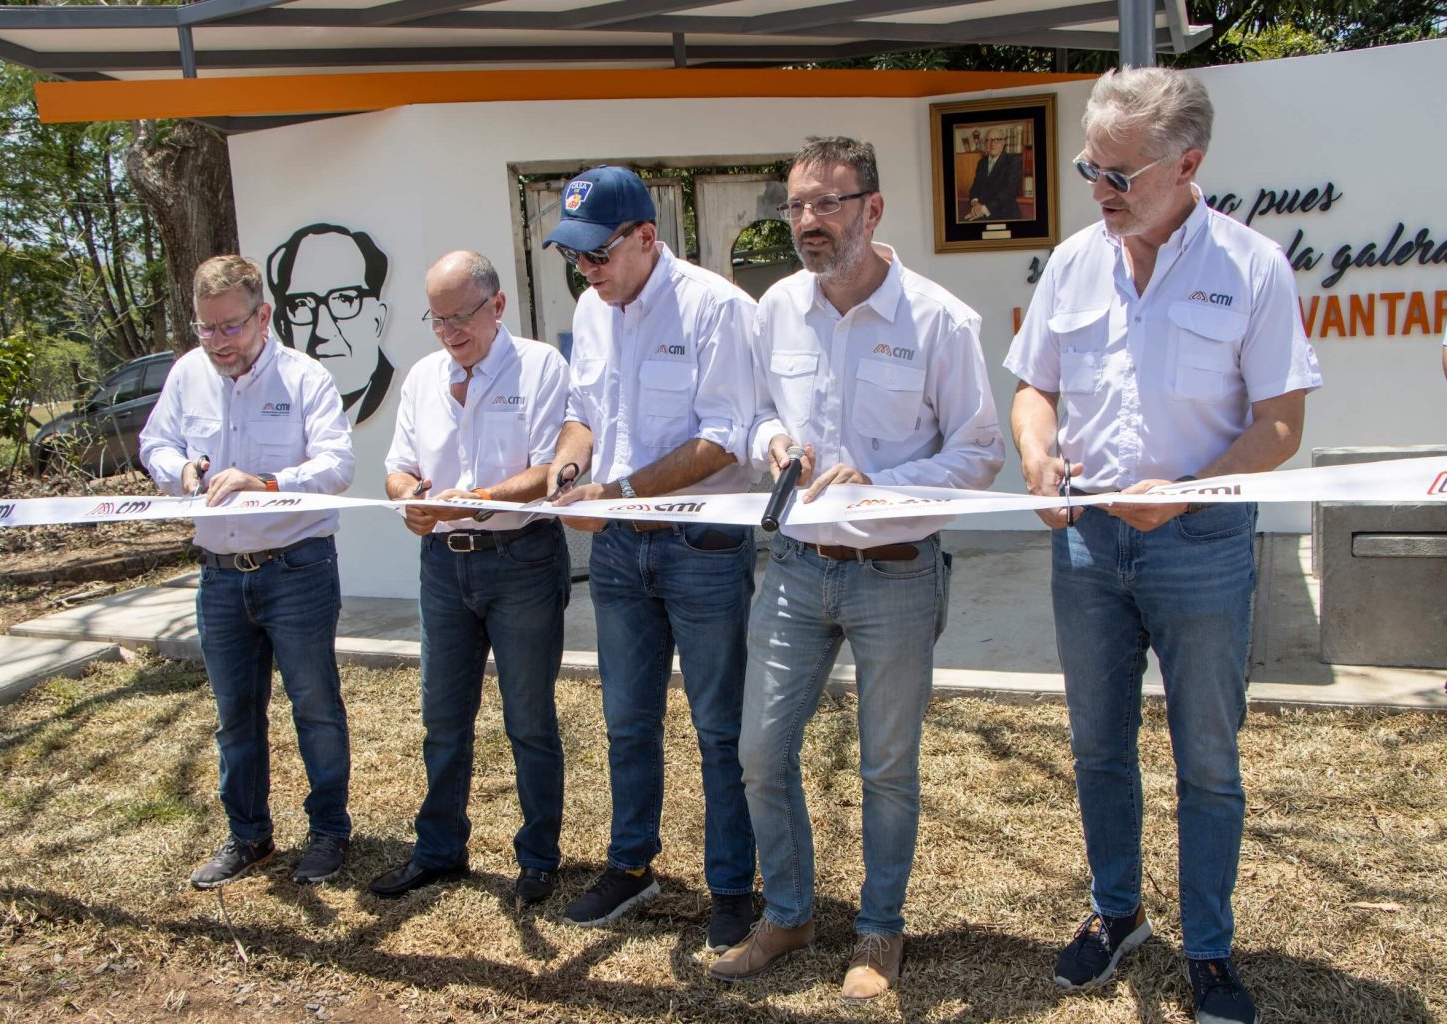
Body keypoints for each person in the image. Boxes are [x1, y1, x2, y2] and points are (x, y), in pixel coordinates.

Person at [1003, 67, 1320, 1024]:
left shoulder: (1253, 266)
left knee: (1207, 758)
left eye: (1120, 174)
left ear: (1187, 165)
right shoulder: (1073, 262)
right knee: (1098, 745)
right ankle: (1118, 914)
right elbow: (1033, 387)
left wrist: (1182, 497)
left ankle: (1210, 949)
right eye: (1089, 169)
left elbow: (1280, 426)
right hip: (1089, 542)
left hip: (1203, 543)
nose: (1100, 190)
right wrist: (1037, 456)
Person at [709, 136, 1005, 1001]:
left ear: (872, 210)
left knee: (886, 766)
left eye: (827, 204)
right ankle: (789, 913)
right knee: (760, 752)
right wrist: (774, 444)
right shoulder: (777, 308)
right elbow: (755, 412)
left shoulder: (939, 321)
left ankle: (879, 930)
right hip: (797, 568)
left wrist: (881, 487)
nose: (808, 221)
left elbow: (980, 452)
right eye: (797, 205)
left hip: (897, 572)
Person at [542, 165, 759, 952]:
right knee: (627, 721)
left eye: (598, 254)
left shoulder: (716, 308)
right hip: (618, 549)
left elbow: (726, 436)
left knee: (720, 728)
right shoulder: (592, 308)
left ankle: (732, 886)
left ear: (645, 237)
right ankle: (631, 867)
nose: (587, 271)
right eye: (575, 258)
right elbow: (582, 413)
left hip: (702, 546)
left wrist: (621, 490)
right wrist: (571, 466)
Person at [140, 254, 356, 889]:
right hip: (219, 576)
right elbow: (155, 443)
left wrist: (266, 482)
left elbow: (337, 464)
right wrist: (179, 469)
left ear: (263, 316)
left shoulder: (304, 378)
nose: (217, 342)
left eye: (230, 327)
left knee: (314, 707)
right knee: (235, 713)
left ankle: (329, 834)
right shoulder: (188, 373)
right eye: (206, 327)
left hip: (297, 568)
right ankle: (248, 837)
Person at [368, 251, 571, 906]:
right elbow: (398, 467)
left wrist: (476, 498)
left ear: (498, 305)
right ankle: (438, 850)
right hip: (443, 563)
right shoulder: (423, 377)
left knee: (528, 718)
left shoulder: (540, 366)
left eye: (461, 316)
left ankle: (538, 858)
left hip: (522, 560)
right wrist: (409, 500)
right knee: (443, 716)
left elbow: (549, 471)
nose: (449, 332)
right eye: (437, 319)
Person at [267, 224, 393, 425]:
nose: (323, 330)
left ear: (378, 319)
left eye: (344, 299)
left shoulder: (412, 396)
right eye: (301, 304)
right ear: (282, 326)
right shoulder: (268, 402)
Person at [965, 127, 1024, 222]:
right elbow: (975, 187)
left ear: (1004, 142)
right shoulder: (982, 162)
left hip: (1006, 215)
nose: (993, 143)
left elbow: (1010, 191)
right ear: (985, 143)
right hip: (981, 213)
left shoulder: (1014, 161)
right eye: (989, 140)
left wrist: (983, 209)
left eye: (998, 139)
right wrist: (975, 204)